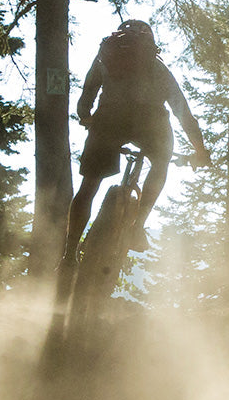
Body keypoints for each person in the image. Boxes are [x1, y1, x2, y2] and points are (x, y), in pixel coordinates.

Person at [61, 19, 211, 266]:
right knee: (160, 164)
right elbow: (182, 112)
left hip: (109, 120)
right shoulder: (158, 67)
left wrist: (87, 118)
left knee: (88, 187)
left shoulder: (104, 57)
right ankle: (138, 225)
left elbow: (85, 100)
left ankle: (69, 254)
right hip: (150, 125)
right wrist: (199, 151)